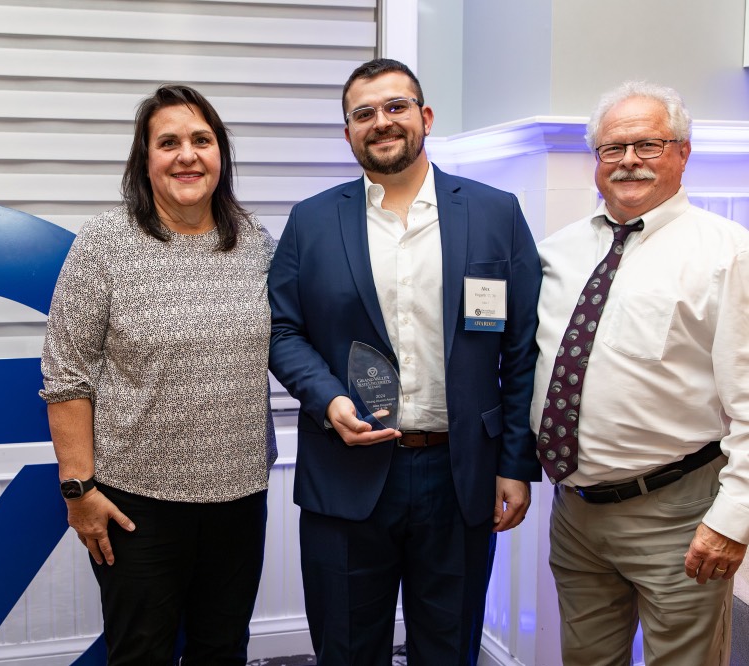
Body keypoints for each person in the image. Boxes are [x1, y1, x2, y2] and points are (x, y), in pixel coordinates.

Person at [268, 58, 542, 665]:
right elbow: (282, 330)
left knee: (449, 649)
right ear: (347, 133)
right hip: (345, 472)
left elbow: (521, 348)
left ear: (425, 117)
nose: (381, 122)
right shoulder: (311, 220)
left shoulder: (496, 213)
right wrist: (328, 397)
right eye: (363, 113)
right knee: (345, 649)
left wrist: (515, 464)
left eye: (395, 106)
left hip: (459, 474)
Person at [40, 84, 277, 665]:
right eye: (167, 142)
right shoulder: (106, 242)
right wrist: (79, 491)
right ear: (144, 160)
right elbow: (66, 372)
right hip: (135, 505)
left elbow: (295, 341)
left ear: (221, 154)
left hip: (239, 496)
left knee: (222, 651)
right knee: (141, 653)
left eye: (202, 139)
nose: (187, 155)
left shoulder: (255, 243)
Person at [531, 81, 749, 665]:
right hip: (575, 513)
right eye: (612, 148)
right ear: (595, 162)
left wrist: (733, 520)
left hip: (678, 515)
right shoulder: (557, 252)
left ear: (683, 152)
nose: (628, 160)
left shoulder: (728, 254)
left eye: (648, 145)